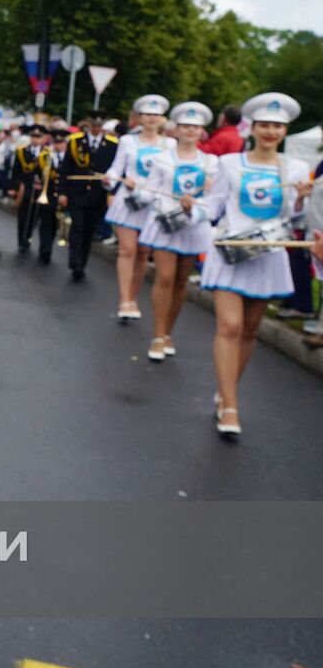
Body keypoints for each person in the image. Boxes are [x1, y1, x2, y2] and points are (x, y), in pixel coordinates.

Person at [201, 93, 313, 439]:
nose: (270, 131)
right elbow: (214, 206)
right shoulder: (230, 164)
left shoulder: (294, 169)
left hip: (268, 256)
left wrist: (300, 197)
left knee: (249, 330)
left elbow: (295, 219)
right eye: (264, 124)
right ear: (253, 127)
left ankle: (226, 391)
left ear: (285, 130)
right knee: (230, 327)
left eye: (277, 126)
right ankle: (231, 407)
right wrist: (195, 207)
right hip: (232, 254)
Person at [137, 102, 218, 362]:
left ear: (202, 131)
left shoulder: (211, 163)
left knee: (181, 281)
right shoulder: (162, 159)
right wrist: (134, 189)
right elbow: (149, 191)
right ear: (176, 129)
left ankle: (168, 332)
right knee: (165, 277)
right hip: (165, 225)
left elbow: (215, 201)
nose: (190, 131)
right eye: (185, 126)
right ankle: (158, 335)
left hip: (193, 227)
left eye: (195, 127)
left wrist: (202, 197)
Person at [104, 95, 175, 321]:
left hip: (154, 203)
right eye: (146, 114)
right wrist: (112, 180)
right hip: (129, 201)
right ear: (139, 117)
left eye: (156, 114)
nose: (151, 118)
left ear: (162, 118)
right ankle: (124, 299)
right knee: (127, 249)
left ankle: (133, 297)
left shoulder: (170, 145)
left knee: (144, 253)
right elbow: (116, 169)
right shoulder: (127, 142)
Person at [59, 110, 118, 283]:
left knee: (88, 230)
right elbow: (66, 168)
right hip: (77, 192)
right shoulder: (76, 141)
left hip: (97, 194)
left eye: (100, 126)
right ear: (88, 124)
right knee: (77, 226)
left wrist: (111, 191)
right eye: (94, 126)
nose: (97, 129)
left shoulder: (112, 144)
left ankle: (82, 263)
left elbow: (115, 169)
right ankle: (75, 262)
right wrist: (63, 192)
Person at [12, 125, 49, 253]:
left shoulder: (47, 153)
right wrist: (16, 187)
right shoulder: (22, 151)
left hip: (40, 191)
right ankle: (22, 241)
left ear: (43, 138)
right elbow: (16, 171)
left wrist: (42, 183)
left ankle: (28, 237)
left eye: (38, 137)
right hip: (26, 189)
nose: (35, 139)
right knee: (23, 216)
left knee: (35, 217)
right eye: (33, 136)